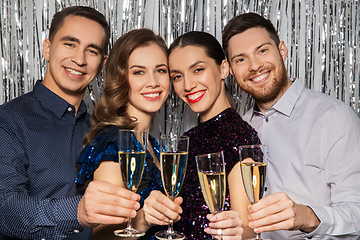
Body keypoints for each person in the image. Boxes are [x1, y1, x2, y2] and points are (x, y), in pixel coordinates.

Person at [0, 6, 140, 240]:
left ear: (102, 63)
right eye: (70, 44)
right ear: (47, 48)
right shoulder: (8, 121)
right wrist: (77, 212)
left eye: (92, 50)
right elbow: (5, 208)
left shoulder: (102, 129)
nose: (79, 59)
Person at [222, 12, 360, 239]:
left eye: (262, 50)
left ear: (282, 51)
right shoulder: (237, 129)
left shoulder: (334, 117)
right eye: (241, 59)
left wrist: (306, 217)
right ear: (230, 69)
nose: (255, 66)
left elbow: (356, 212)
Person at [142, 31, 261, 239]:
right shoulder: (185, 141)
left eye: (198, 70)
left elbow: (249, 229)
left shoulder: (239, 136)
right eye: (177, 76)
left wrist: (237, 232)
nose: (188, 85)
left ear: (223, 69)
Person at [75, 28, 175, 240]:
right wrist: (144, 219)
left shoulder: (153, 144)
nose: (153, 81)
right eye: (139, 72)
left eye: (161, 70)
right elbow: (103, 236)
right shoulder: (115, 143)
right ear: (120, 79)